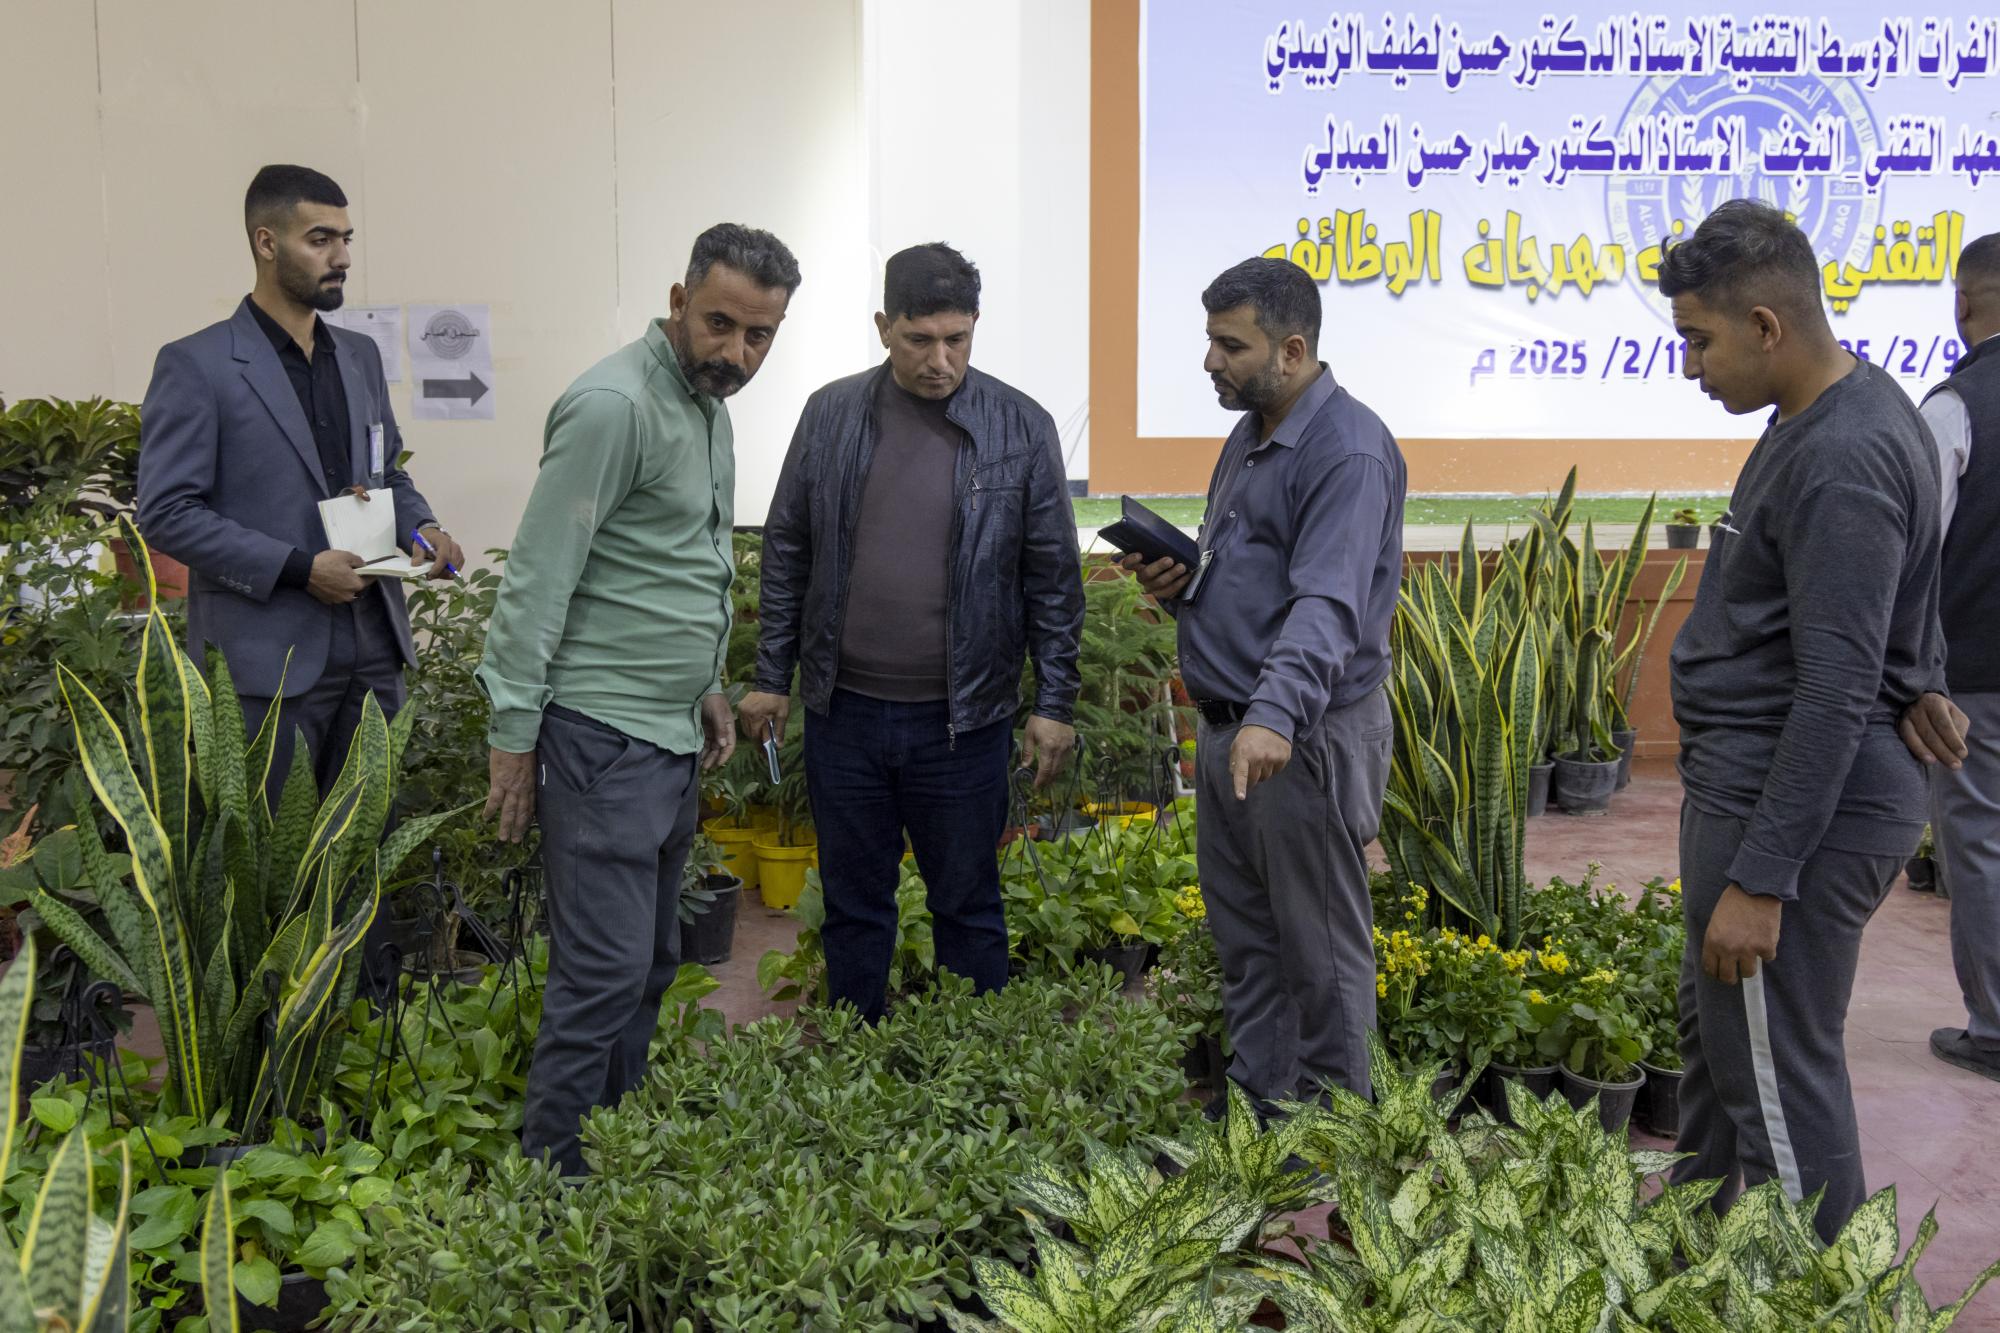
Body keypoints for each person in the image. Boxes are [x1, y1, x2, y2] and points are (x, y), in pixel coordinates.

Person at [1657, 199, 1963, 1242]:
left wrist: (1761, 879)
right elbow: (1892, 604)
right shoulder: (1826, 414)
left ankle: (1833, 1293)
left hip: (1784, 814)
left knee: (1777, 1085)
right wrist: (1918, 677)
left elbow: (1833, 689)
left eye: (1699, 340)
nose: (1690, 366)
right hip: (1758, 793)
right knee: (1723, 1055)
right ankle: (1693, 1258)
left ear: (1765, 326)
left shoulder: (1843, 456)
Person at [477, 224, 800, 1176]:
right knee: (603, 973)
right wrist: (512, 736)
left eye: (759, 335)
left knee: (653, 965)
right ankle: (554, 1185)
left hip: (666, 737)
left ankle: (607, 1153)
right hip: (600, 737)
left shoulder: (706, 408)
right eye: (720, 323)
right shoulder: (614, 407)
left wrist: (708, 686)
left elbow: (676, 568)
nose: (736, 352)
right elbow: (537, 577)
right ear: (678, 299)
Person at [739, 243, 1083, 1024]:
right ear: (882, 327)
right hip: (845, 715)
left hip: (964, 722)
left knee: (968, 904)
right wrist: (770, 677)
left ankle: (977, 1066)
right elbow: (788, 548)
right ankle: (857, 1056)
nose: (940, 361)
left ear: (975, 325)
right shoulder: (831, 415)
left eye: (957, 338)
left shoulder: (1020, 426)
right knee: (854, 905)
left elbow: (1053, 579)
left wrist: (1054, 703)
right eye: (919, 339)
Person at [1124, 256, 1405, 1108]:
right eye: (1210, 340)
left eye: (1230, 345)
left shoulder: (1347, 451)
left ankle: (1339, 1141)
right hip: (1236, 731)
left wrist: (1273, 716)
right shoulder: (1252, 435)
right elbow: (1257, 580)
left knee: (1322, 958)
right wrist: (1184, 586)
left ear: (1291, 350)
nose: (1211, 360)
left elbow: (1327, 605)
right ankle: (1262, 1121)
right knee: (1250, 949)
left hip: (1295, 739)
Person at [137, 164, 464, 804]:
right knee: (272, 859)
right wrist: (298, 569)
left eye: (346, 239)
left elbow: (387, 471)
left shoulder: (360, 356)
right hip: (267, 664)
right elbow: (168, 512)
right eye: (320, 240)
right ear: (266, 242)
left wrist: (423, 527)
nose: (342, 257)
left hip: (375, 650)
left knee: (368, 846)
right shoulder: (196, 364)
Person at [1919, 231, 2000, 1082]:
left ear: (1964, 303)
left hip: (1977, 671)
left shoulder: (1955, 407)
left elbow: (1913, 547)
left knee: (1978, 841)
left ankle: (1996, 1028)